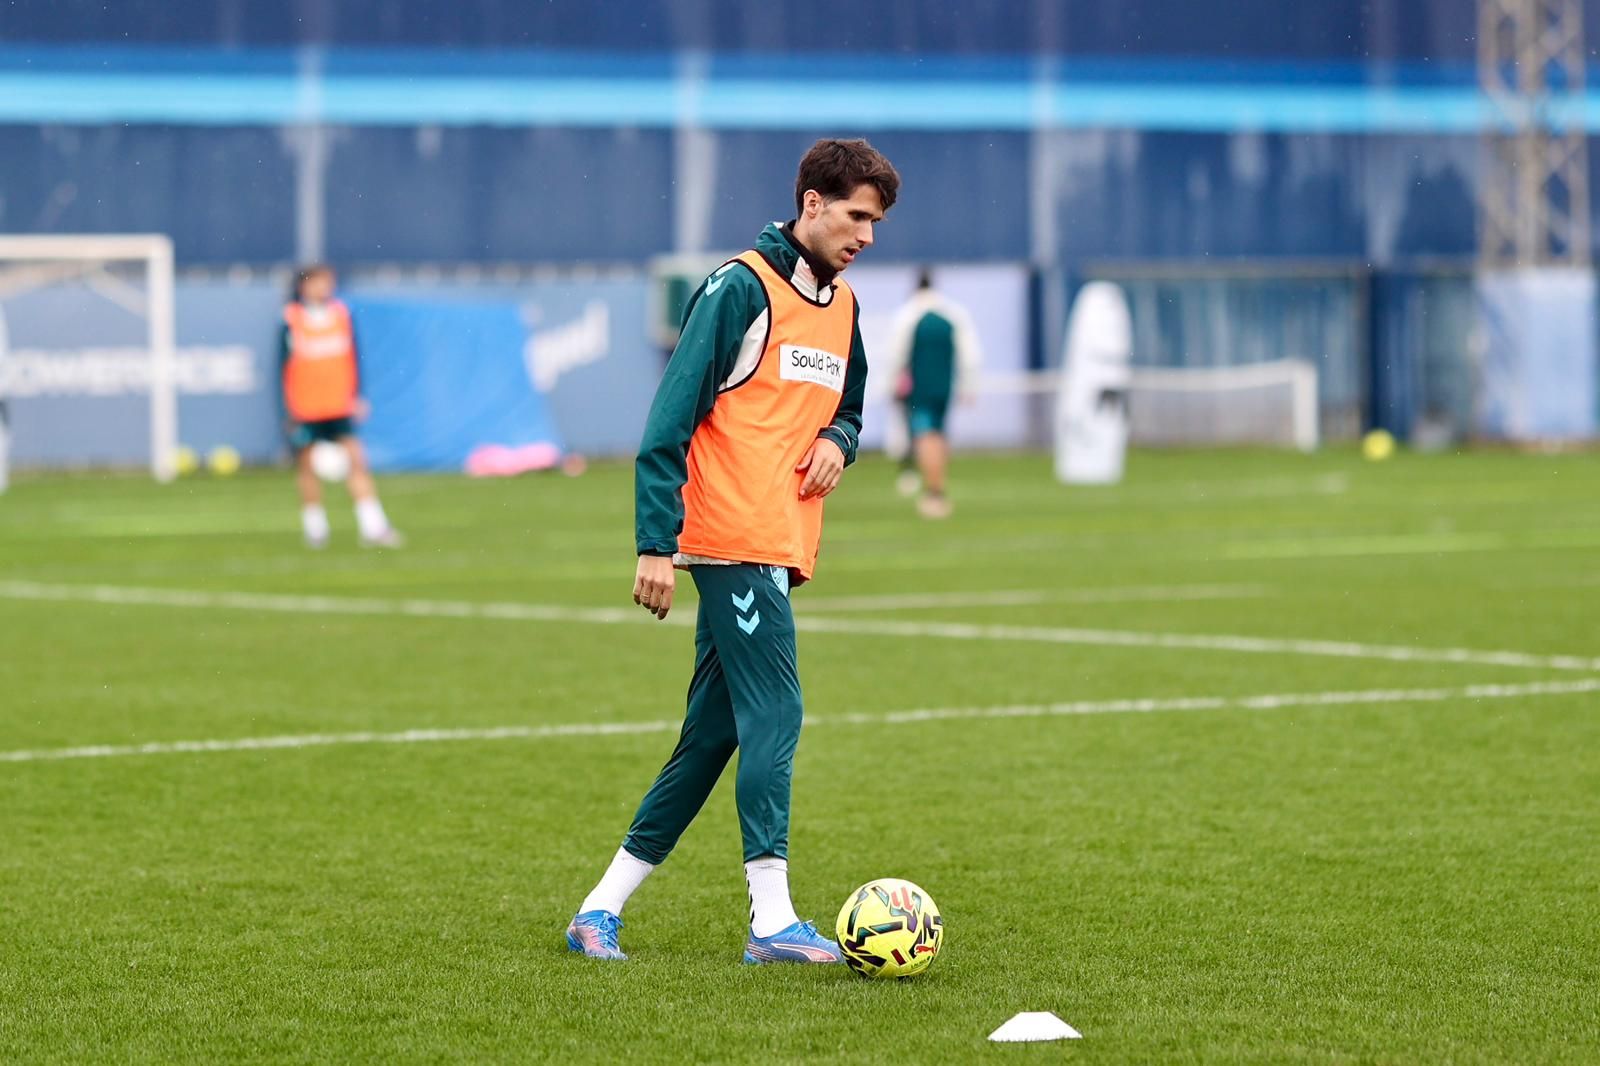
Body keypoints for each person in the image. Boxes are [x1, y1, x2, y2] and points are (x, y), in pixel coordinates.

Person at [566, 138, 899, 964]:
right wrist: (654, 544)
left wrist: (840, 441)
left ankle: (597, 912)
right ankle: (772, 922)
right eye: (856, 216)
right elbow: (667, 423)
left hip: (779, 544)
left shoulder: (845, 306)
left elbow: (850, 406)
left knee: (711, 738)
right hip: (730, 537)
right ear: (812, 204)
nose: (865, 235)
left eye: (877, 223)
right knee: (778, 712)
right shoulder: (739, 287)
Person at [279, 264, 401, 549]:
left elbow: (352, 357)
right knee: (308, 468)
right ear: (304, 286)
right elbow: (282, 366)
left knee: (357, 462)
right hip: (306, 407)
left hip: (339, 403)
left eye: (328, 282)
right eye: (318, 282)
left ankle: (374, 526)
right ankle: (315, 528)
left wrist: (358, 395)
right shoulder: (291, 318)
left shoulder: (341, 315)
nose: (324, 288)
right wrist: (287, 410)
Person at [884, 268, 982, 518]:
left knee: (925, 436)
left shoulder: (909, 314)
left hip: (920, 387)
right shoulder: (954, 313)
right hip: (945, 386)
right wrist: (969, 386)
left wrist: (891, 385)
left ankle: (934, 493)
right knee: (939, 434)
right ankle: (937, 489)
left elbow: (897, 354)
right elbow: (970, 353)